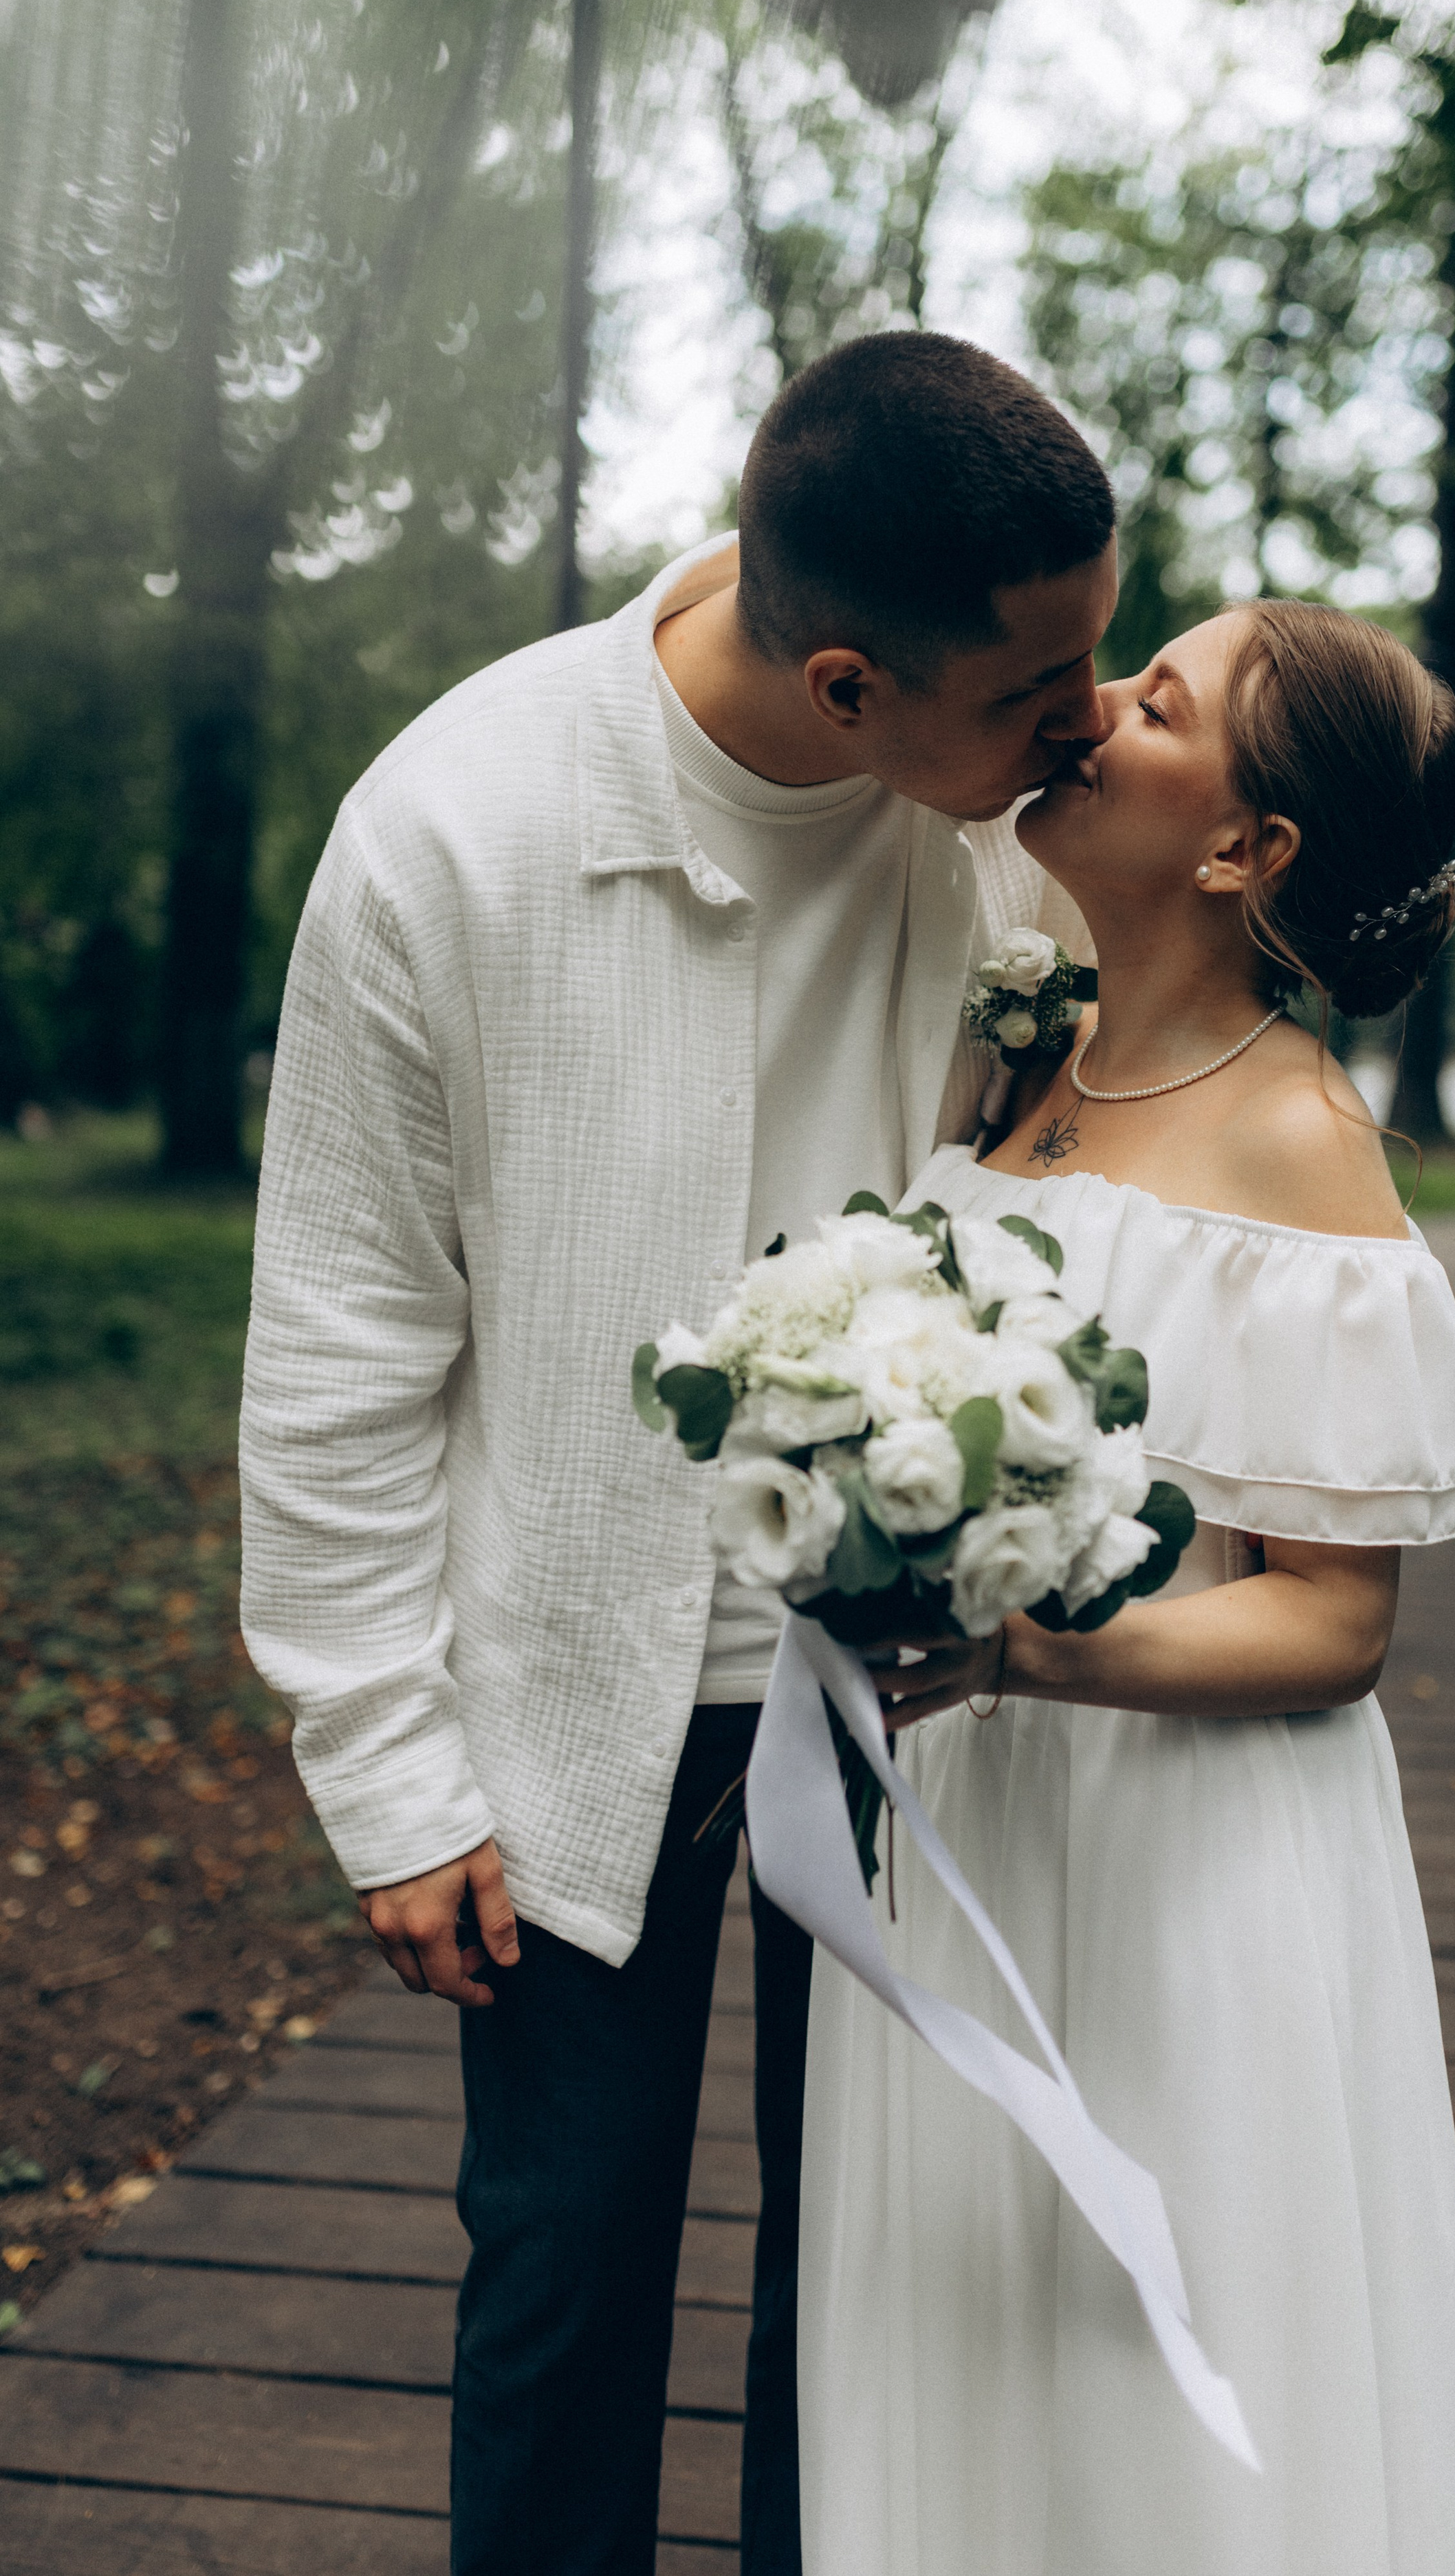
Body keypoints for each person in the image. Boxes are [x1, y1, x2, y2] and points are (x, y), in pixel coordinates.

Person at [237, 329, 1117, 2576]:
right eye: (1040, 685)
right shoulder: (451, 832)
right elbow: (345, 1337)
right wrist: (389, 1766)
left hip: (923, 1689)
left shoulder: (1030, 845)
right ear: (849, 688)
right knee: (562, 2267)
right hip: (566, 1691)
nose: (1092, 718)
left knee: (879, 2284)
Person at [796, 598, 1455, 2575]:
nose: (1089, 711)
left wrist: (1024, 1651)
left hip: (1184, 1859)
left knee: (1152, 2385)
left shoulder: (1300, 1143)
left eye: (1155, 700)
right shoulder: (1027, 1054)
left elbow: (1336, 1620)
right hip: (978, 1823)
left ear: (1244, 848)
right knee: (969, 2341)